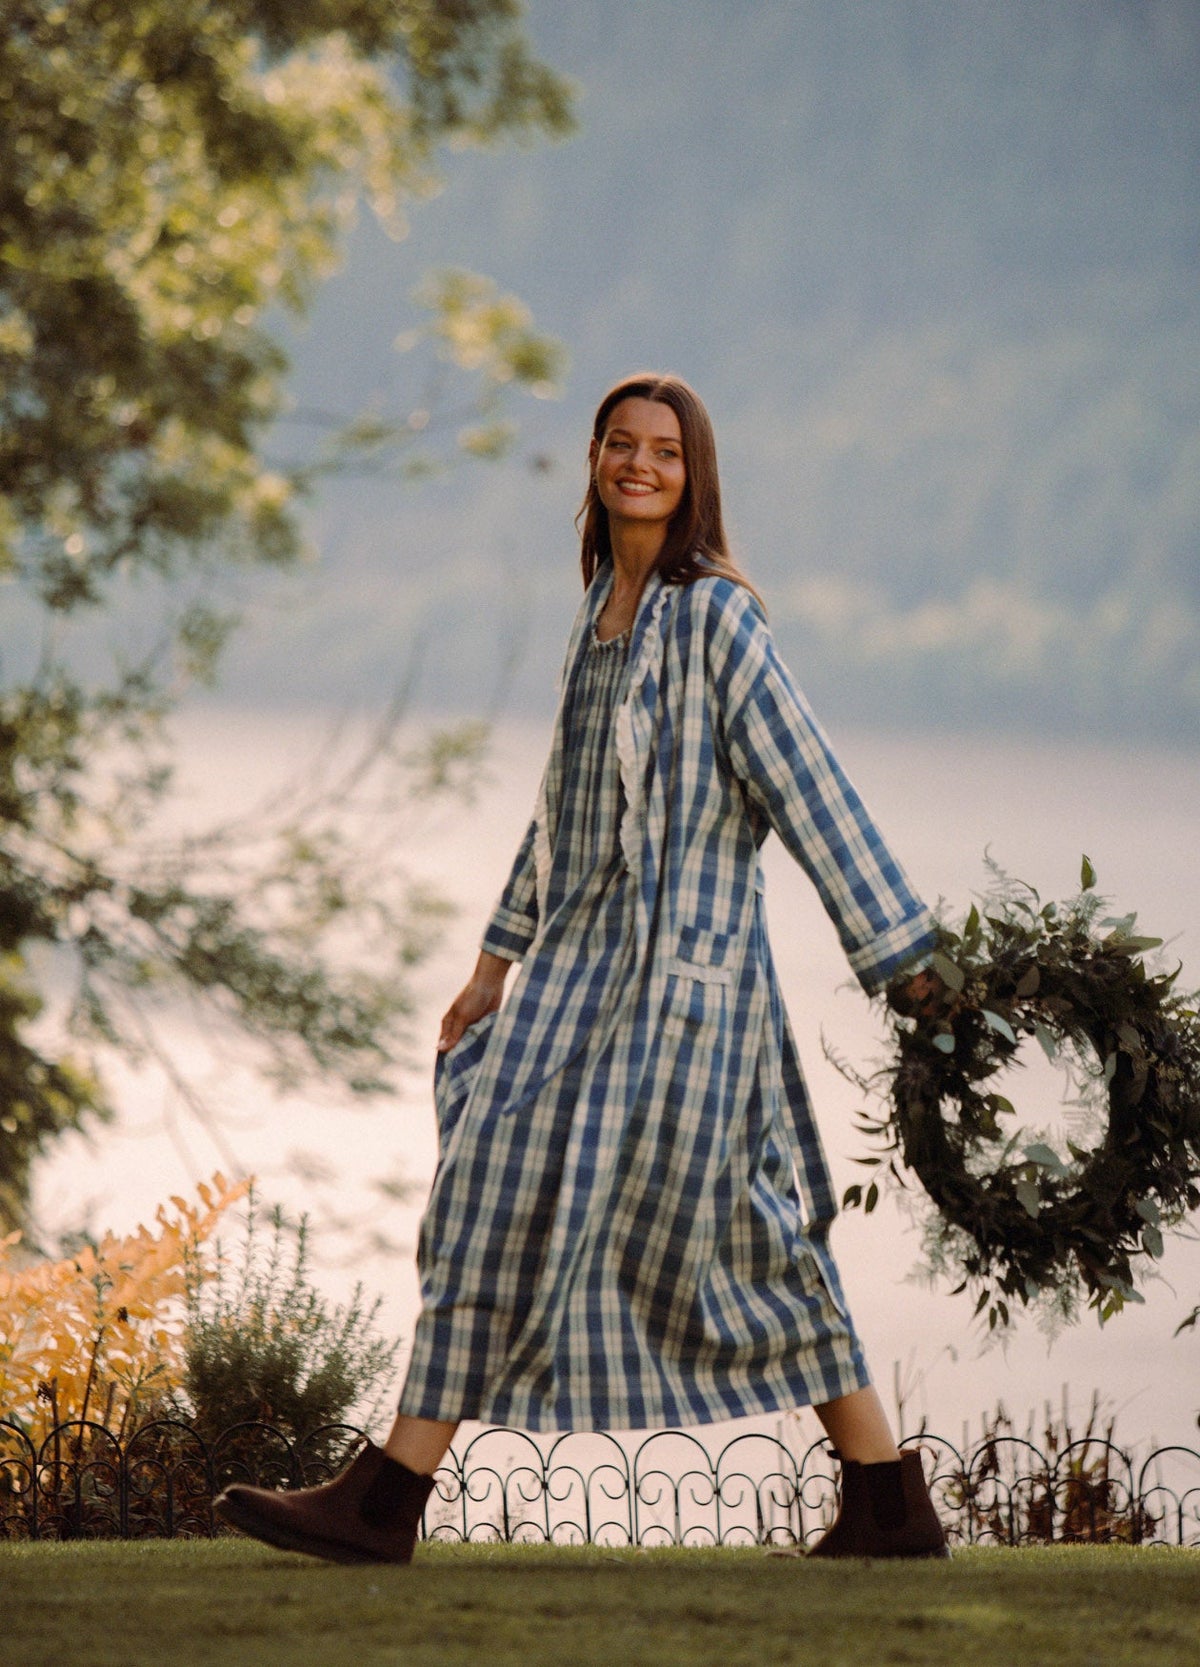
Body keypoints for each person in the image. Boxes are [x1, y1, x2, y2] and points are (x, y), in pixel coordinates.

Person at [216, 373, 949, 1563]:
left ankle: (390, 1496)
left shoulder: (716, 617)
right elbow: (559, 816)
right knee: (524, 1196)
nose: (640, 463)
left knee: (715, 1229)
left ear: (693, 473)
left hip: (683, 991)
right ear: (597, 462)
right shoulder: (602, 609)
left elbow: (811, 786)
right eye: (621, 443)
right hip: (576, 983)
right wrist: (491, 962)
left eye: (664, 449)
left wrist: (904, 959)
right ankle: (883, 1500)